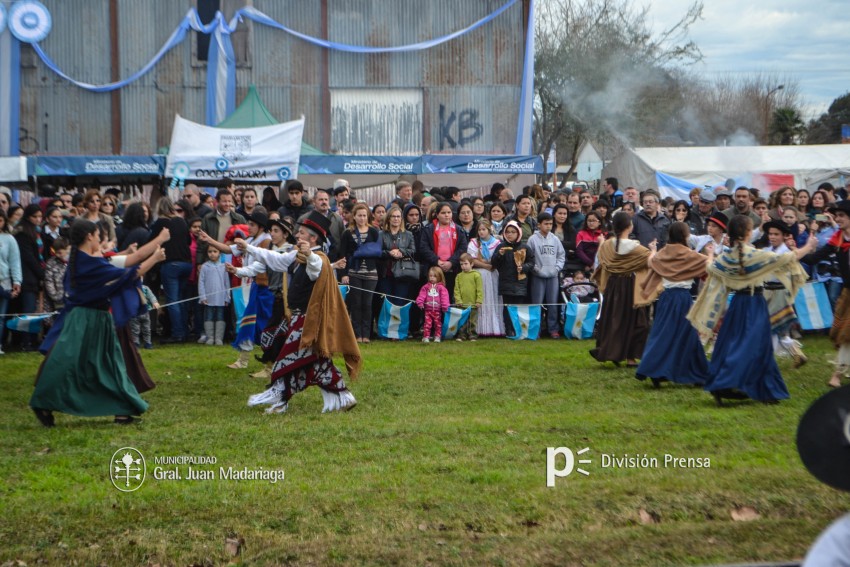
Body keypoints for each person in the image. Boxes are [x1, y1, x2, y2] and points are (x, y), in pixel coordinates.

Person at [29, 219, 165, 427]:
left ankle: (122, 409)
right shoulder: (86, 262)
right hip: (85, 320)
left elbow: (128, 263)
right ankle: (43, 402)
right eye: (98, 235)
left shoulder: (85, 259)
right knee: (68, 363)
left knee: (109, 363)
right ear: (89, 237)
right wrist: (155, 257)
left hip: (96, 319)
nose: (101, 239)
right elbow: (130, 273)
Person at [237, 211, 360, 415]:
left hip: (308, 322)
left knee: (285, 361)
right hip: (298, 318)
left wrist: (310, 254)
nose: (298, 235)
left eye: (302, 233)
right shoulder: (297, 255)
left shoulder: (317, 257)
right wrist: (248, 247)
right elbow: (275, 259)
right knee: (317, 363)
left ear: (313, 238)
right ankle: (343, 396)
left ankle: (280, 401)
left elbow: (315, 267)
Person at [687, 215, 816, 405]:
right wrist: (809, 246)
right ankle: (729, 383)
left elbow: (712, 268)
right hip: (755, 304)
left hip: (738, 305)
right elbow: (787, 257)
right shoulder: (754, 254)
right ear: (748, 233)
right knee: (753, 346)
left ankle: (764, 389)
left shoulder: (727, 257)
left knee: (732, 343)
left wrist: (711, 255)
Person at [634, 222, 712, 388]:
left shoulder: (663, 253)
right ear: (684, 236)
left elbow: (652, 262)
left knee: (662, 333)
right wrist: (711, 253)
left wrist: (653, 251)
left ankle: (654, 369)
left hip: (666, 298)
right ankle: (697, 373)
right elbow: (708, 265)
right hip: (682, 298)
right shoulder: (688, 254)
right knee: (688, 336)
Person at [199, 211, 273, 368]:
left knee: (265, 324)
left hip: (266, 288)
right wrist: (210, 240)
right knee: (249, 320)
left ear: (261, 227)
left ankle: (269, 364)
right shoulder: (251, 239)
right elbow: (229, 249)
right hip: (254, 285)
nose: (248, 227)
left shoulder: (266, 242)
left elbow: (259, 267)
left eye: (252, 225)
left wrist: (238, 271)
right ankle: (245, 360)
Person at [590, 211, 656, 367]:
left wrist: (601, 242)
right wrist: (653, 249)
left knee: (614, 320)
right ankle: (631, 358)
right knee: (636, 321)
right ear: (630, 226)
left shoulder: (608, 245)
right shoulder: (635, 247)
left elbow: (601, 256)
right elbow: (651, 261)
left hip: (613, 286)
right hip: (629, 286)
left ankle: (613, 352)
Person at [800, 200, 850, 388]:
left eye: (841, 216)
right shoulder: (836, 240)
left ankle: (837, 375)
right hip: (848, 294)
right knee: (841, 334)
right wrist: (796, 251)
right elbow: (813, 258)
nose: (837, 219)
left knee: (847, 334)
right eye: (836, 216)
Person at [151, 197, 193, 343]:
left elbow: (152, 242)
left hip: (171, 264)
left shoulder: (161, 223)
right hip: (186, 263)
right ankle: (185, 331)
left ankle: (178, 333)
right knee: (182, 299)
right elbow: (188, 241)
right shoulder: (181, 221)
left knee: (172, 300)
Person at [339, 203, 381, 343]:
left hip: (370, 272)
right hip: (354, 271)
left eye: (364, 215)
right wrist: (344, 274)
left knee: (367, 304)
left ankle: (366, 334)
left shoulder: (374, 231)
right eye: (359, 215)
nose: (362, 218)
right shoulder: (347, 232)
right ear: (354, 217)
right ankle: (357, 334)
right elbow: (343, 254)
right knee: (356, 303)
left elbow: (378, 252)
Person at [491, 220, 534, 337]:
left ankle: (518, 328)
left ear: (518, 233)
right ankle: (508, 329)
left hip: (520, 282)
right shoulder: (501, 247)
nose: (510, 234)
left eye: (513, 232)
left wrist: (524, 268)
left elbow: (531, 262)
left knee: (518, 307)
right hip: (506, 282)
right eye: (508, 232)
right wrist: (499, 255)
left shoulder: (525, 247)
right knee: (507, 307)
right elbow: (494, 263)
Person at [528, 212, 566, 338]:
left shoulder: (555, 239)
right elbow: (529, 256)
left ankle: (553, 329)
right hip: (538, 276)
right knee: (537, 303)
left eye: (550, 224)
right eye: (546, 224)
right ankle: (536, 329)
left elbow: (561, 255)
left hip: (553, 276)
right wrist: (536, 269)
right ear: (539, 224)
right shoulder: (532, 239)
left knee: (553, 303)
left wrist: (556, 268)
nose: (548, 226)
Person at [419, 202, 469, 299]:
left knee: (449, 298)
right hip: (433, 269)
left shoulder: (459, 229)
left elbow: (463, 248)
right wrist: (437, 261)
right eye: (443, 213)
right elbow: (424, 247)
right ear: (437, 215)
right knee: (433, 298)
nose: (446, 215)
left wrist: (451, 262)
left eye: (449, 212)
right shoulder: (429, 229)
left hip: (452, 269)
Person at [14, 204, 45, 351]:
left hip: (33, 275)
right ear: (28, 217)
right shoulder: (23, 233)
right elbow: (28, 257)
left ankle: (31, 340)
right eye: (35, 217)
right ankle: (25, 342)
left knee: (32, 310)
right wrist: (41, 273)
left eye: (40, 216)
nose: (38, 219)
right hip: (27, 276)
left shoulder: (36, 231)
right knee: (28, 310)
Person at [467, 219, 504, 336]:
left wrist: (487, 263)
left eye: (484, 229)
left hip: (493, 275)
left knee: (492, 298)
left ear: (489, 230)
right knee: (481, 299)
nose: (481, 232)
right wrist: (486, 265)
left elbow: (497, 259)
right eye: (479, 230)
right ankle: (479, 328)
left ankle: (495, 328)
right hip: (479, 275)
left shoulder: (497, 243)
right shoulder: (473, 243)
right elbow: (472, 260)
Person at [198, 245, 230, 346]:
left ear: (219, 253)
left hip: (221, 298)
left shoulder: (224, 267)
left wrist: (227, 297)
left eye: (215, 251)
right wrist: (202, 296)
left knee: (220, 316)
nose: (212, 253)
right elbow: (201, 282)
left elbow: (227, 283)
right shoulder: (204, 266)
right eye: (210, 251)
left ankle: (219, 338)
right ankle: (210, 337)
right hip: (208, 298)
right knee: (209, 316)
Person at [0, 209, 21, 354]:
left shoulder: (9, 239)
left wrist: (17, 281)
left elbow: (15, 262)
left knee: (1, 317)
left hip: (4, 282)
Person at [454, 254, 484, 341]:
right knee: (462, 321)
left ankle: (472, 335)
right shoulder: (459, 276)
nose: (463, 266)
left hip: (473, 304)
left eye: (465, 264)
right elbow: (456, 290)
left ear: (472, 264)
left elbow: (479, 289)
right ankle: (461, 335)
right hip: (462, 304)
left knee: (472, 321)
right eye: (461, 264)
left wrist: (479, 301)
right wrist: (458, 300)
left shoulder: (476, 275)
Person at [416, 266, 450, 343]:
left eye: (434, 276)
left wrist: (445, 306)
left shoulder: (442, 288)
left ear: (439, 277)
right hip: (428, 310)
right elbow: (421, 295)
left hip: (437, 310)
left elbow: (444, 297)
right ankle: (426, 337)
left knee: (438, 324)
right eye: (430, 276)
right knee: (427, 324)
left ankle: (437, 336)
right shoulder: (425, 287)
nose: (432, 278)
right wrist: (420, 302)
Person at [129, 284, 159, 349]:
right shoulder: (129, 288)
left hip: (146, 313)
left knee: (147, 329)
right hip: (135, 314)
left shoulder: (145, 288)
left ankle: (148, 343)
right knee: (135, 330)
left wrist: (155, 302)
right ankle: (136, 343)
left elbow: (151, 296)